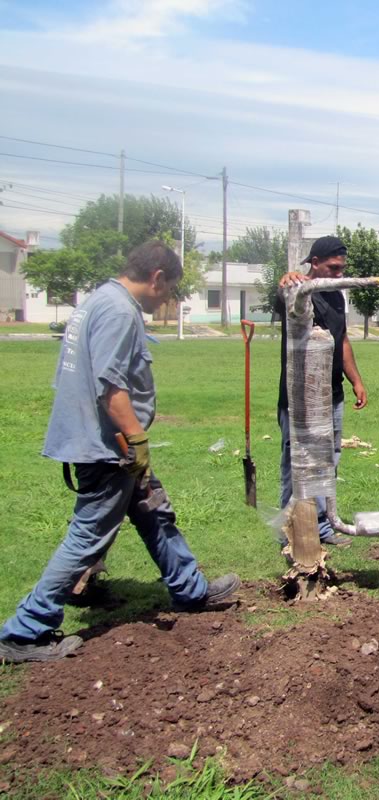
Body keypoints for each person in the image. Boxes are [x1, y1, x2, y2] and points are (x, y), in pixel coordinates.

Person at [0, 241, 240, 663]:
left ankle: (190, 590)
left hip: (104, 441)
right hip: (107, 446)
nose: (166, 298)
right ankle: (24, 630)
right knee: (88, 535)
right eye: (169, 290)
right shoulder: (118, 310)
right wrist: (137, 439)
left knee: (153, 512)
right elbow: (111, 388)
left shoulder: (100, 300)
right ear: (157, 276)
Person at [276, 235, 368, 547]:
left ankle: (323, 528)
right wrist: (286, 281)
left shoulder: (335, 296)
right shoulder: (298, 292)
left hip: (332, 395)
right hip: (299, 400)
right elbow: (282, 296)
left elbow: (341, 340)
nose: (339, 274)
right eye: (333, 268)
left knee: (328, 461)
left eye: (342, 268)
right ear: (315, 263)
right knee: (298, 463)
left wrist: (355, 379)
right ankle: (291, 532)